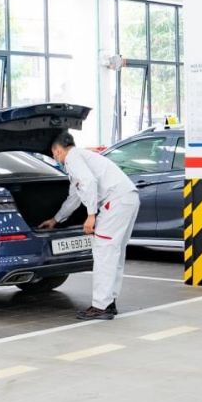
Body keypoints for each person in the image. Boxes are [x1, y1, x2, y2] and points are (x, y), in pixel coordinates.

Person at [37, 131, 139, 320]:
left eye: (53, 154)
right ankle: (108, 302)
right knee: (114, 254)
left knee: (104, 253)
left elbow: (89, 182)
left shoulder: (73, 158)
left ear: (57, 150)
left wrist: (91, 215)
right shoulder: (81, 158)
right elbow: (74, 198)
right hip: (128, 199)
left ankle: (100, 307)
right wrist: (56, 220)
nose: (54, 158)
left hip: (115, 202)